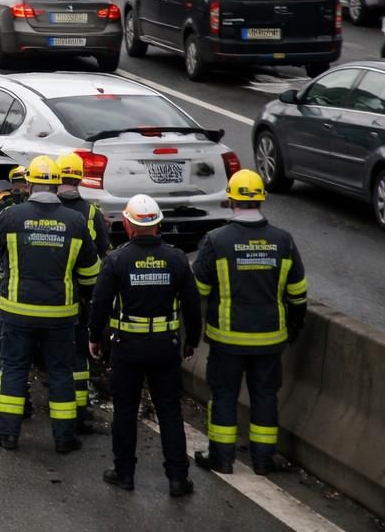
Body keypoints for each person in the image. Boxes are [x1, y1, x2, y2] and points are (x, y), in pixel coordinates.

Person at [0, 156, 101, 454]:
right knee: (61, 372)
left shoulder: (10, 216)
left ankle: (7, 434)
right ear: (57, 184)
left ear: (30, 183)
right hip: (61, 314)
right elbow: (90, 273)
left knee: (13, 369)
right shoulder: (75, 221)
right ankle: (64, 438)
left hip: (17, 311)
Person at [192, 169, 307, 477]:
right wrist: (294, 326)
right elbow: (297, 293)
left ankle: (221, 457)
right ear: (261, 200)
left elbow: (198, 290)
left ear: (231, 200)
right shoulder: (283, 241)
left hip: (227, 339)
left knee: (224, 396)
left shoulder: (216, 241)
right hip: (270, 339)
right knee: (265, 397)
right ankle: (263, 461)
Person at [89, 194, 202, 497]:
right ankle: (178, 478)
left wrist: (94, 337)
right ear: (158, 225)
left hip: (128, 347)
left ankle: (124, 473)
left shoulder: (117, 259)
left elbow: (100, 303)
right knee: (170, 411)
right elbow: (192, 305)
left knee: (125, 410)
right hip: (166, 346)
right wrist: (192, 340)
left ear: (128, 225)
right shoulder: (176, 258)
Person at [56, 152, 112, 433]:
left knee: (55, 355)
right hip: (81, 294)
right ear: (80, 178)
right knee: (79, 353)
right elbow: (103, 253)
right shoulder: (90, 213)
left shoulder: (48, 211)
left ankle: (58, 404)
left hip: (51, 291)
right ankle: (80, 408)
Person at [0, 164, 33, 417]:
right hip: (29, 289)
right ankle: (20, 400)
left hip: (6, 288)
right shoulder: (35, 210)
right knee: (21, 353)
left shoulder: (3, 210)